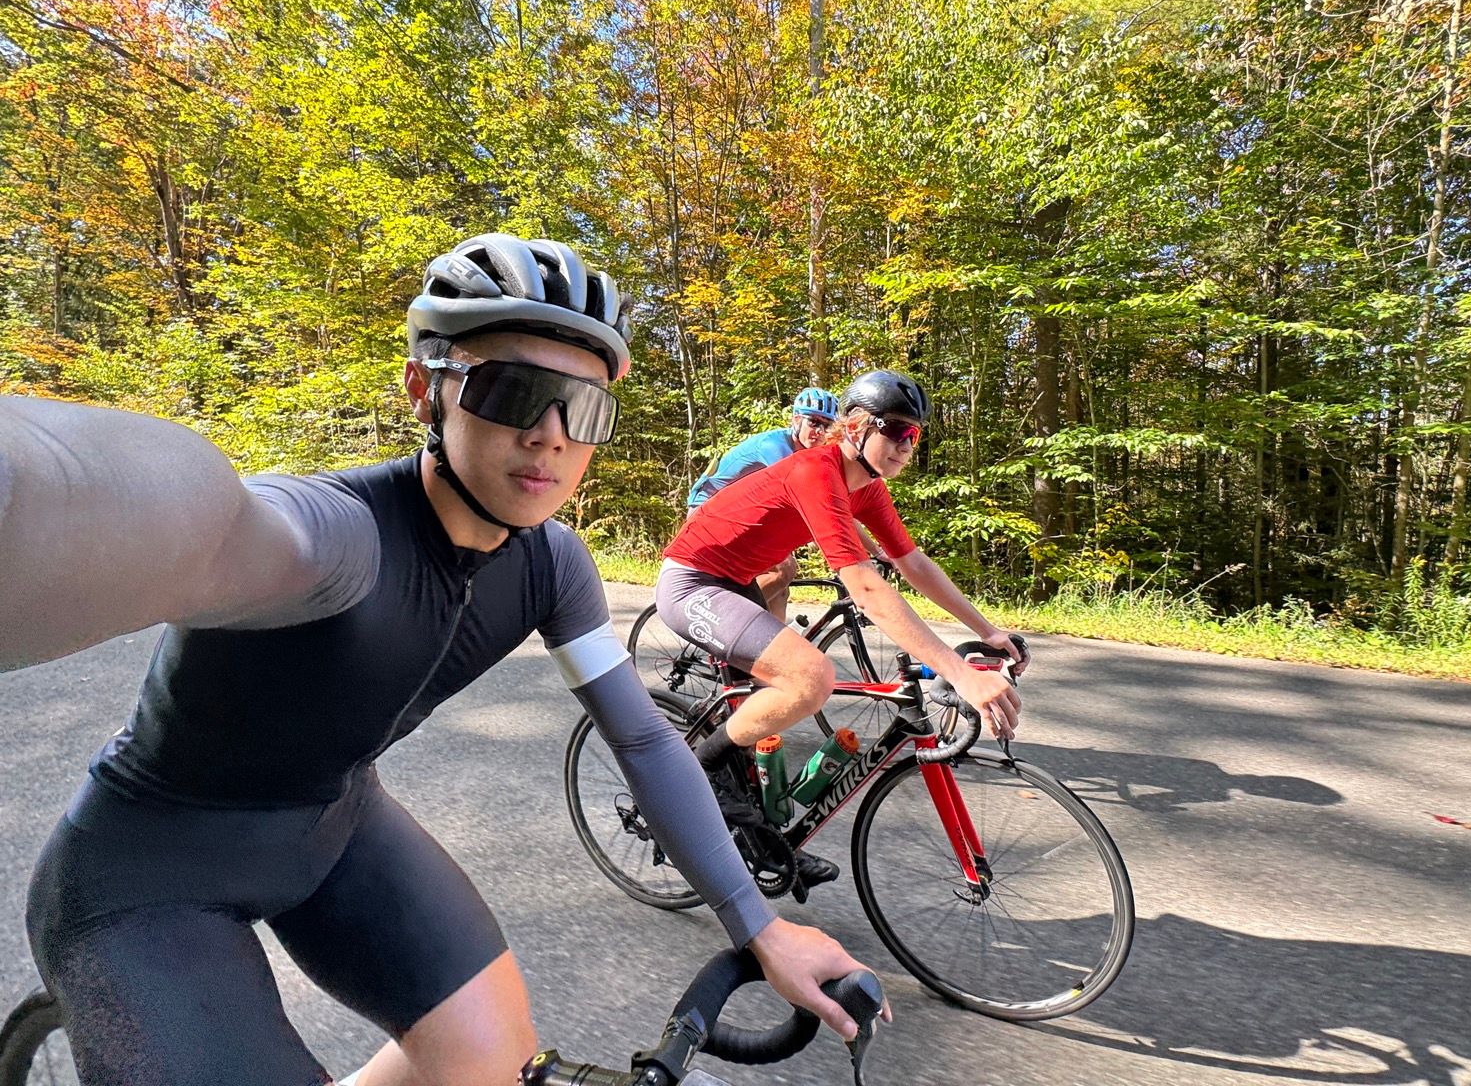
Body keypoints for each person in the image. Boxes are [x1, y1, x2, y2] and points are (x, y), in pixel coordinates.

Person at [0, 234, 879, 1086]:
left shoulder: (552, 564)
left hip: (338, 831)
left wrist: (758, 926)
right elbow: (205, 518)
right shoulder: (337, 537)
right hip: (145, 879)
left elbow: (645, 742)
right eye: (512, 390)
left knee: (495, 1064)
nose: (550, 434)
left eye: (583, 410)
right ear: (426, 389)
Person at [654, 369, 1030, 890]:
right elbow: (866, 588)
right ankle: (704, 770)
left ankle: (760, 838)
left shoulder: (866, 489)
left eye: (914, 435)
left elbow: (913, 564)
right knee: (811, 678)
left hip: (736, 582)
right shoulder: (815, 470)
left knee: (766, 703)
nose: (906, 445)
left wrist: (988, 632)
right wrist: (961, 674)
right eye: (896, 430)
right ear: (854, 426)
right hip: (692, 583)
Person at [685, 387, 839, 618]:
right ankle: (724, 621)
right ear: (796, 420)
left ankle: (770, 640)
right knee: (783, 569)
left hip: (735, 514)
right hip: (706, 511)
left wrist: (874, 550)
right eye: (814, 422)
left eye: (827, 426)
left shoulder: (808, 455)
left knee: (780, 591)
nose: (819, 431)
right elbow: (806, 501)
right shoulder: (776, 448)